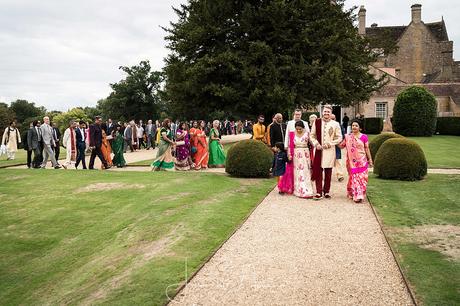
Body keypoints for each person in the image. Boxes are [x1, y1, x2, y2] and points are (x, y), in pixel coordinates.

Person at [310, 105, 343, 200]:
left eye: (328, 112)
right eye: (325, 111)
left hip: (329, 151)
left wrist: (330, 143)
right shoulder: (317, 122)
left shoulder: (335, 124)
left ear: (331, 113)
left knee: (328, 173)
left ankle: (327, 191)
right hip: (319, 150)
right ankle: (319, 192)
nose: (326, 113)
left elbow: (339, 137)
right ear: (322, 112)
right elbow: (312, 135)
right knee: (318, 171)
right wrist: (316, 144)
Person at [340, 119, 373, 203]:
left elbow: (367, 148)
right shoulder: (348, 137)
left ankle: (360, 193)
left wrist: (370, 159)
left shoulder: (364, 137)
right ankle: (357, 195)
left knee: (362, 178)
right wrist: (333, 140)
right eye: (353, 125)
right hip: (352, 162)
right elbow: (341, 146)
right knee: (355, 178)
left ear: (360, 128)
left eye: (356, 125)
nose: (354, 127)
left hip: (362, 160)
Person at [291, 121, 314, 198]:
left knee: (306, 171)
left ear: (303, 127)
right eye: (297, 129)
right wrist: (289, 154)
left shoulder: (307, 133)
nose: (298, 130)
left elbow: (312, 141)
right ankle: (298, 190)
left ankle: (307, 190)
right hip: (296, 154)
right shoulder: (292, 134)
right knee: (298, 172)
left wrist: (317, 145)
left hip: (305, 153)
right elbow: (290, 145)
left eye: (300, 129)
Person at [331, 114, 345, 182]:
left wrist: (340, 143)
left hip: (336, 145)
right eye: (331, 118)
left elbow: (342, 134)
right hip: (328, 146)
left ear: (335, 118)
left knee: (338, 160)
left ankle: (340, 175)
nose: (332, 120)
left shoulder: (339, 125)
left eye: (333, 118)